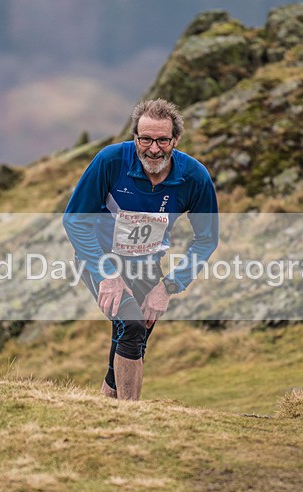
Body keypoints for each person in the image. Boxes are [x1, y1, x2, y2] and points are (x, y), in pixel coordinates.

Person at [62, 98, 219, 401]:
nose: (154, 148)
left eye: (162, 140)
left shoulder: (194, 177)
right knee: (132, 326)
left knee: (130, 342)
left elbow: (206, 239)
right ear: (135, 137)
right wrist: (107, 274)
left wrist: (169, 286)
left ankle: (103, 417)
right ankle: (131, 419)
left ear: (175, 139)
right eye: (145, 139)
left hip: (148, 266)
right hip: (100, 260)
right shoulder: (111, 161)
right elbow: (75, 220)